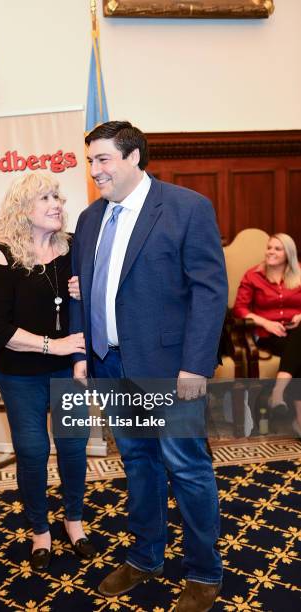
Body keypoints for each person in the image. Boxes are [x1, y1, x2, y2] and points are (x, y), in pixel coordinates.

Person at [70, 121, 228, 611]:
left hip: (169, 368)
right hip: (110, 364)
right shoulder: (91, 218)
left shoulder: (186, 208)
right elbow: (83, 288)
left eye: (103, 160)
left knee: (187, 468)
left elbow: (209, 291)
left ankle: (204, 572)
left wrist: (195, 366)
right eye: (91, 160)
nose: (95, 170)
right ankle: (145, 557)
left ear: (134, 157)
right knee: (137, 463)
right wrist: (81, 353)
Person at [0, 172, 95, 571]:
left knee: (74, 447)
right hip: (20, 373)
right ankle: (40, 529)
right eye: (45, 197)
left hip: (68, 370)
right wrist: (53, 345)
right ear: (23, 208)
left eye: (58, 197)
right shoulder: (2, 256)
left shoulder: (72, 248)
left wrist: (78, 356)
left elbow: (84, 308)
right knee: (32, 452)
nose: (57, 204)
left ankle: (74, 521)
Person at [233, 233, 301, 436]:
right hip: (267, 336)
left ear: (288, 254)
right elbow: (239, 309)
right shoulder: (253, 275)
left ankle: (278, 394)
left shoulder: (299, 274)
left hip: (293, 333)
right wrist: (266, 323)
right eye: (269, 247)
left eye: (277, 249)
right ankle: (297, 418)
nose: (271, 251)